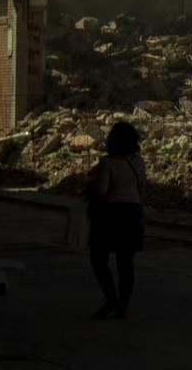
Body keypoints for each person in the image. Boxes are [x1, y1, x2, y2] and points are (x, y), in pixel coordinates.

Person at [86, 121, 146, 320]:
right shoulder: (138, 162)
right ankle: (124, 304)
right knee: (125, 262)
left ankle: (111, 299)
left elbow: (102, 190)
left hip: (112, 214)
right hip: (134, 213)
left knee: (98, 258)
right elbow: (142, 189)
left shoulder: (108, 163)